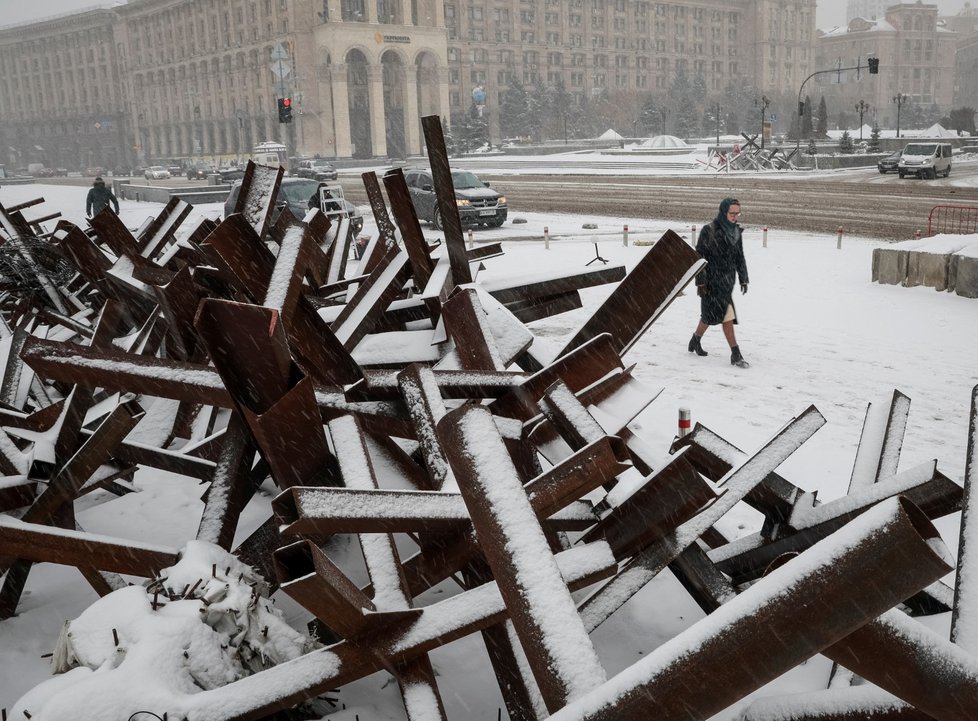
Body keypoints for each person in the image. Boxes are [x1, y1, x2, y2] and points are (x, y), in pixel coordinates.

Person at [688, 197, 750, 368]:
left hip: (727, 283)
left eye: (738, 213)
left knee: (711, 317)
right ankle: (736, 354)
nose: (735, 216)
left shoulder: (736, 232)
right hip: (711, 282)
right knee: (723, 317)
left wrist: (744, 278)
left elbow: (739, 257)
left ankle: (695, 339)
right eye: (732, 213)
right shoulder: (709, 230)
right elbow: (699, 258)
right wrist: (700, 283)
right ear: (724, 212)